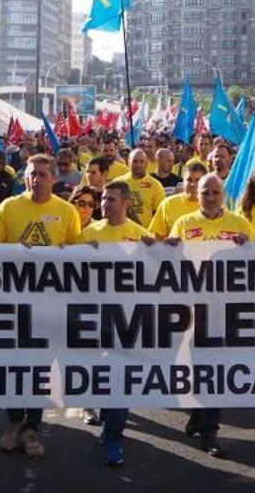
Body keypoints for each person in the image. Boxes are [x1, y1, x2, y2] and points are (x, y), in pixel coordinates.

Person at [0, 154, 81, 458]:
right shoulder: (8, 207)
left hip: (49, 306)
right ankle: (13, 422)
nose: (37, 179)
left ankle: (33, 428)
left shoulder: (67, 212)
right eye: (31, 174)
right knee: (13, 366)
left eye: (43, 174)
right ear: (24, 177)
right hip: (13, 305)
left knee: (41, 369)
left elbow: (75, 257)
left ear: (54, 178)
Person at [165, 174, 253, 457]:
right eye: (205, 192)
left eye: (216, 192)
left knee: (214, 369)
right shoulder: (184, 223)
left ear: (224, 194)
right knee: (193, 367)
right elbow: (171, 263)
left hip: (225, 310)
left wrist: (248, 247)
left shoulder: (240, 224)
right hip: (191, 310)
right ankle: (197, 413)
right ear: (197, 193)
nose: (211, 197)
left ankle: (209, 430)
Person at [76, 180, 155, 465]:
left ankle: (113, 438)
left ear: (125, 204)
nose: (104, 204)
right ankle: (104, 411)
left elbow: (163, 266)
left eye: (111, 199)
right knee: (100, 376)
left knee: (120, 381)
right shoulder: (87, 233)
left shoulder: (140, 235)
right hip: (92, 318)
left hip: (126, 322)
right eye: (103, 199)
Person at [148, 162, 206, 239]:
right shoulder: (168, 204)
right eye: (189, 180)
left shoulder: (214, 206)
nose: (193, 184)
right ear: (183, 181)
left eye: (198, 180)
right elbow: (156, 237)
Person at [113, 148, 165, 226]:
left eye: (141, 161)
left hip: (145, 233)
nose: (138, 165)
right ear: (128, 162)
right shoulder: (117, 183)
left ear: (146, 163)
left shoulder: (155, 185)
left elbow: (159, 214)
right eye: (135, 161)